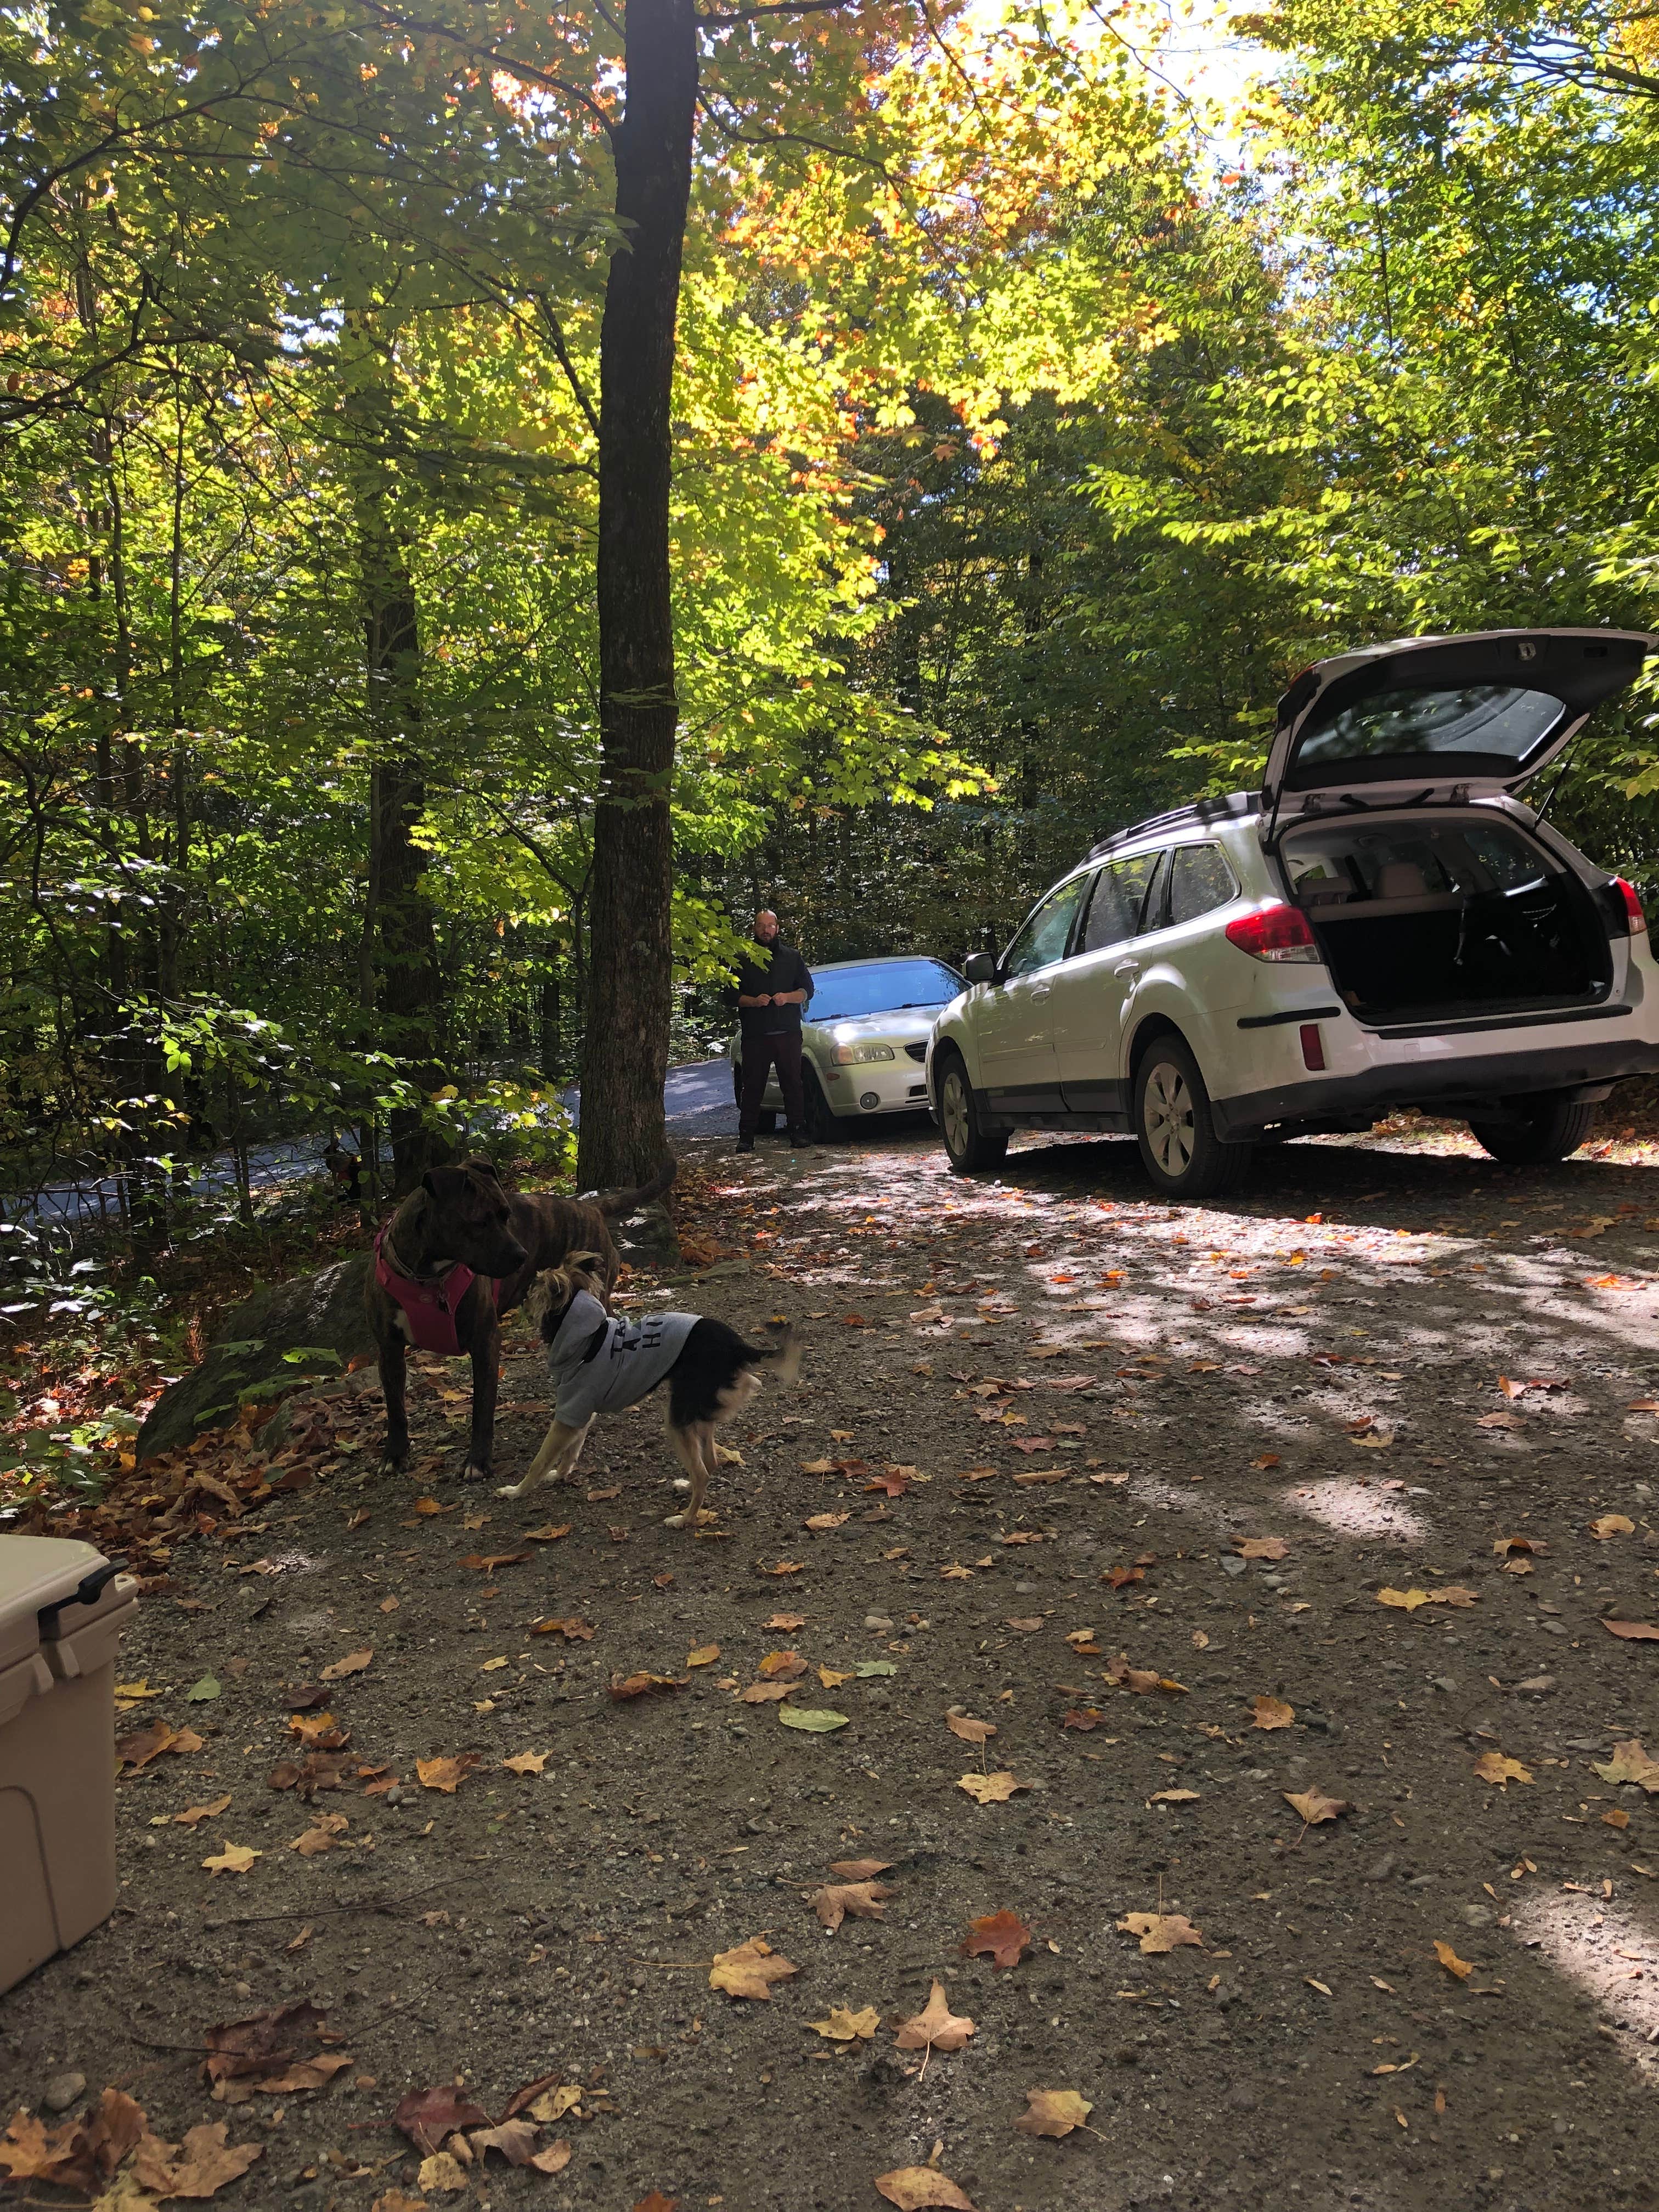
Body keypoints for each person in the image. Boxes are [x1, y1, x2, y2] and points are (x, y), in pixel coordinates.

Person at [730, 909, 814, 1153]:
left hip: (788, 1033)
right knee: (753, 1086)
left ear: (777, 928)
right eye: (761, 926)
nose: (766, 930)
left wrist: (788, 997)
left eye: (770, 926)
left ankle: (798, 1131)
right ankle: (746, 1136)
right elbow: (728, 995)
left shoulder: (792, 957)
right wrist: (753, 1001)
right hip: (756, 1035)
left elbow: (807, 989)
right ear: (754, 929)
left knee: (793, 1084)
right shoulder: (741, 958)